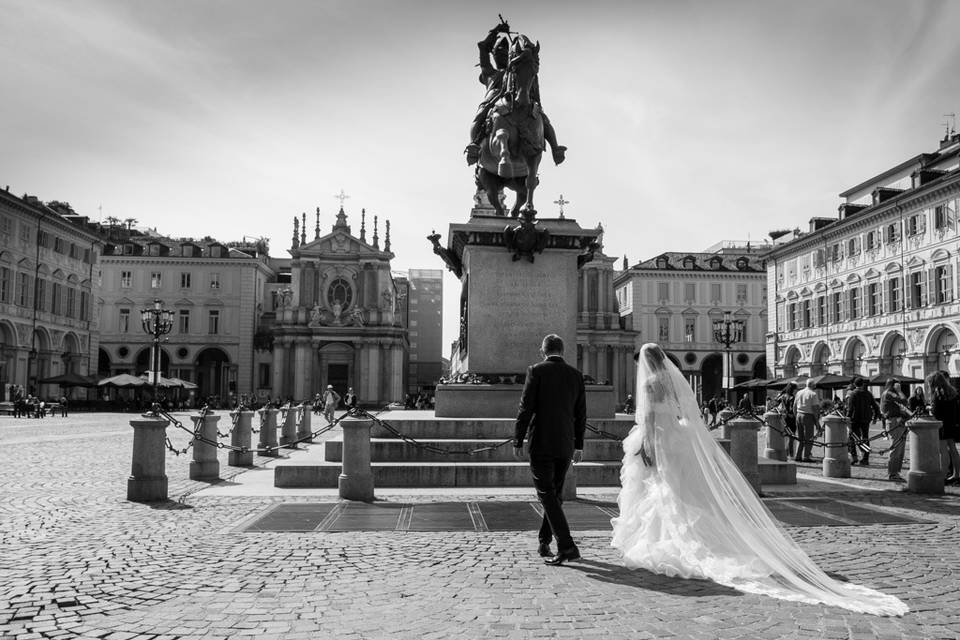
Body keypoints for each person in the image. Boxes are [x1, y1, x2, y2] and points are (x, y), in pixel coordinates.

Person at [611, 343, 908, 616]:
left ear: (645, 363)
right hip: (678, 438)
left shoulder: (650, 383)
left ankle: (661, 541)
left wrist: (647, 444)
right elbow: (684, 412)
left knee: (662, 490)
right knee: (679, 490)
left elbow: (649, 418)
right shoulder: (672, 380)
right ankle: (679, 537)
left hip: (661, 439)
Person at [514, 334, 585, 566]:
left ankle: (566, 546)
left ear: (542, 350)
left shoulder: (536, 371)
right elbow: (581, 414)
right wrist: (579, 444)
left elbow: (526, 408)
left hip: (541, 442)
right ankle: (544, 541)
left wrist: (517, 439)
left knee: (546, 493)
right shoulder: (576, 376)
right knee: (554, 494)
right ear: (562, 351)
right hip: (565, 444)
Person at [464, 21, 566, 167]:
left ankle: (555, 148)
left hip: (518, 98)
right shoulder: (490, 72)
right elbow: (482, 46)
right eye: (499, 52)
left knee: (541, 115)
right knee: (481, 114)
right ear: (494, 54)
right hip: (494, 99)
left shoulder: (516, 70)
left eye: (505, 52)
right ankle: (474, 144)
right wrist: (496, 30)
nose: (503, 54)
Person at [925, 372, 960, 486]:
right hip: (952, 423)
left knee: (943, 451)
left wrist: (930, 408)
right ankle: (956, 474)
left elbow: (936, 412)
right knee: (953, 449)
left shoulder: (937, 393)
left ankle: (943, 475)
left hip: (941, 425)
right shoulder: (952, 391)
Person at [845, 377, 881, 466]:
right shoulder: (868, 393)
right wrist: (876, 417)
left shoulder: (853, 394)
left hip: (855, 418)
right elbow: (876, 406)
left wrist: (847, 417)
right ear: (863, 384)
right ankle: (865, 458)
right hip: (866, 419)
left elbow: (850, 408)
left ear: (854, 384)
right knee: (865, 437)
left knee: (852, 437)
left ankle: (854, 457)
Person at [880, 380, 910, 483]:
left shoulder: (888, 393)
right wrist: (899, 391)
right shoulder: (889, 393)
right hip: (894, 422)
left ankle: (895, 473)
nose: (899, 385)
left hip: (896, 421)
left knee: (900, 449)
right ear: (893, 385)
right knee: (896, 448)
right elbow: (904, 401)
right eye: (897, 384)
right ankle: (892, 473)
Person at [792, 379, 820, 463]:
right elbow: (815, 409)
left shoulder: (799, 392)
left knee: (800, 437)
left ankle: (798, 455)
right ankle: (806, 456)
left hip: (798, 415)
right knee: (809, 437)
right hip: (808, 415)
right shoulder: (813, 394)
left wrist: (796, 415)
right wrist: (817, 421)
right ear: (813, 385)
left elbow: (794, 406)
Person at [775, 382, 798, 458]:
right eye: (796, 389)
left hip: (783, 419)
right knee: (791, 437)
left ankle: (784, 453)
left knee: (785, 437)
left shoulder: (782, 396)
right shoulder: (792, 398)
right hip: (791, 419)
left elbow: (776, 402)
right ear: (793, 389)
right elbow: (791, 409)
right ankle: (791, 455)